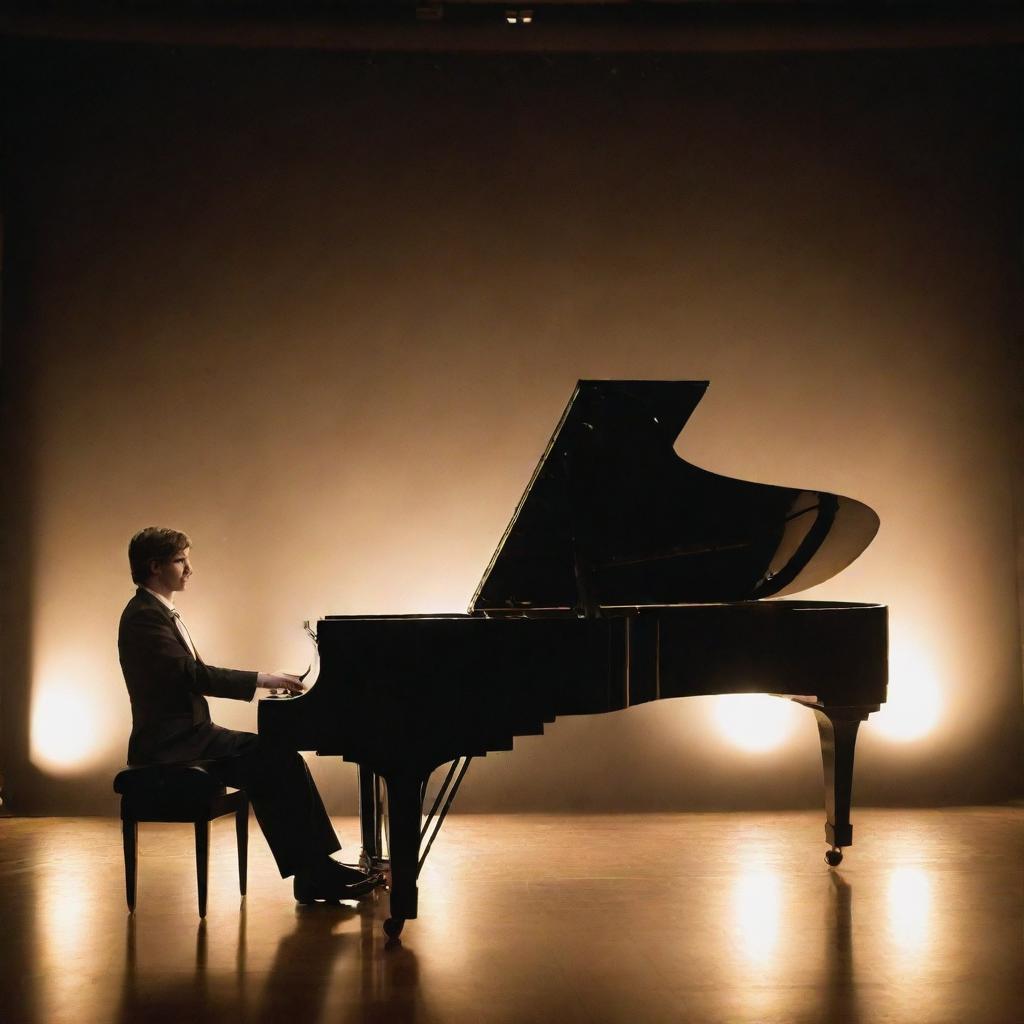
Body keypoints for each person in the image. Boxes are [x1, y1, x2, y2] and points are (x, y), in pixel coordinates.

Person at [118, 526, 379, 902]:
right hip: (172, 744)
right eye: (180, 561)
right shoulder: (144, 616)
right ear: (155, 566)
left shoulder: (157, 612)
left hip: (189, 736)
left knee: (279, 761)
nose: (189, 569)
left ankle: (315, 871)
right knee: (277, 760)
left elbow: (187, 676)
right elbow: (191, 676)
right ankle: (314, 874)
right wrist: (264, 678)